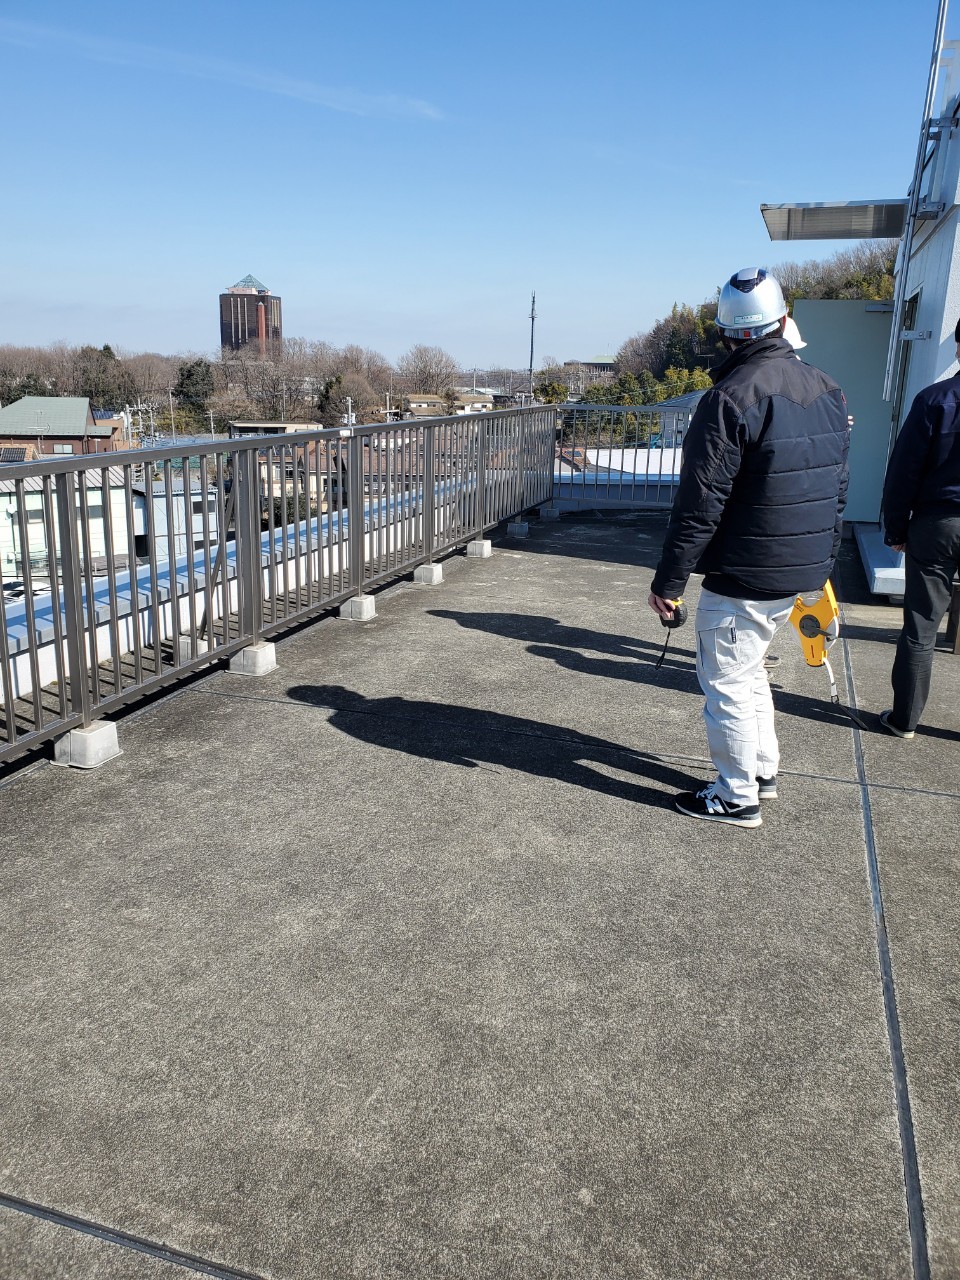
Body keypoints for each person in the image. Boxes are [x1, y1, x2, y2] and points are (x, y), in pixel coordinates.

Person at [648, 268, 850, 827]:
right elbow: (837, 487)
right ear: (783, 322)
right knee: (752, 669)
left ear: (729, 335)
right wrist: (823, 560)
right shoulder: (827, 388)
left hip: (745, 571)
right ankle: (762, 770)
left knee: (728, 682)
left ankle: (736, 794)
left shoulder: (730, 398)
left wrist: (669, 581)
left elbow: (699, 504)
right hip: (799, 569)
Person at [879, 320, 960, 738]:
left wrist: (895, 528)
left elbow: (903, 472)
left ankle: (904, 720)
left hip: (937, 523)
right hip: (938, 522)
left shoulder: (935, 400)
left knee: (921, 624)